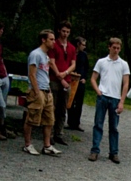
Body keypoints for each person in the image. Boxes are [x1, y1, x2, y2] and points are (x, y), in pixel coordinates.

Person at [89, 37, 130, 164]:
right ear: (109, 47)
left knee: (114, 127)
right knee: (98, 124)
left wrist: (122, 101)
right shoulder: (101, 62)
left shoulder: (124, 64)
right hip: (103, 96)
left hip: (115, 98)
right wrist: (98, 91)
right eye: (114, 48)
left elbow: (125, 83)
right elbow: (93, 78)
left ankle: (114, 152)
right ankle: (95, 150)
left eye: (118, 48)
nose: (116, 50)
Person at [23, 29, 62, 157]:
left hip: (46, 90)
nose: (53, 42)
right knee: (32, 117)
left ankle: (47, 146)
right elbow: (32, 74)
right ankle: (27, 144)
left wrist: (48, 90)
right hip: (38, 90)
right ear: (43, 40)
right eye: (51, 39)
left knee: (49, 119)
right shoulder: (36, 54)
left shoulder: (46, 56)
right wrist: (36, 91)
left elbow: (44, 73)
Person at [48, 21, 76, 146]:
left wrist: (65, 73)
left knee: (62, 108)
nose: (65, 34)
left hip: (66, 79)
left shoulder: (71, 47)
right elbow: (51, 62)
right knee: (52, 107)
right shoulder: (54, 45)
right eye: (64, 31)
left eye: (68, 32)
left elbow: (73, 64)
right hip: (54, 79)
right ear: (59, 31)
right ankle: (49, 134)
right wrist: (60, 76)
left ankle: (59, 133)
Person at [66, 36, 89, 131]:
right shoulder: (71, 53)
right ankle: (70, 122)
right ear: (78, 44)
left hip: (80, 80)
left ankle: (77, 123)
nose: (84, 47)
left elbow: (86, 67)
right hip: (71, 79)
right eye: (83, 45)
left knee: (79, 102)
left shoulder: (84, 55)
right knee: (70, 101)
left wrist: (84, 78)